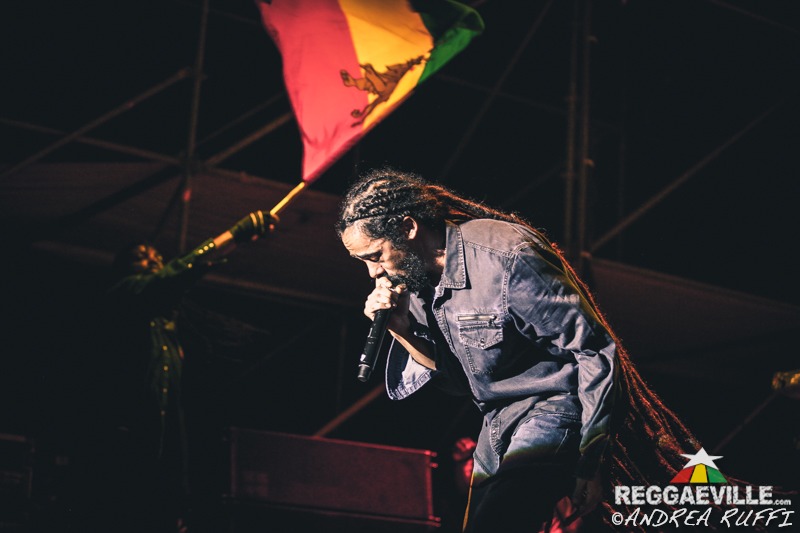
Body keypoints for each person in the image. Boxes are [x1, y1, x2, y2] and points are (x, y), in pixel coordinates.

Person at [335, 167, 712, 532]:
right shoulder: (416, 287)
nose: (373, 272)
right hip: (497, 422)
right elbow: (459, 383)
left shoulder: (507, 256)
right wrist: (401, 329)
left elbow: (594, 351)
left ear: (408, 227)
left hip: (556, 405)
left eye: (375, 256)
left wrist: (593, 456)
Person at [97, 210, 277, 533]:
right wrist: (233, 235)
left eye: (156, 256)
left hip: (154, 470)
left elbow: (172, 425)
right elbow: (172, 277)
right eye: (141, 257)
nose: (153, 260)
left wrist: (177, 500)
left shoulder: (168, 334)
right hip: (121, 455)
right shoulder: (124, 295)